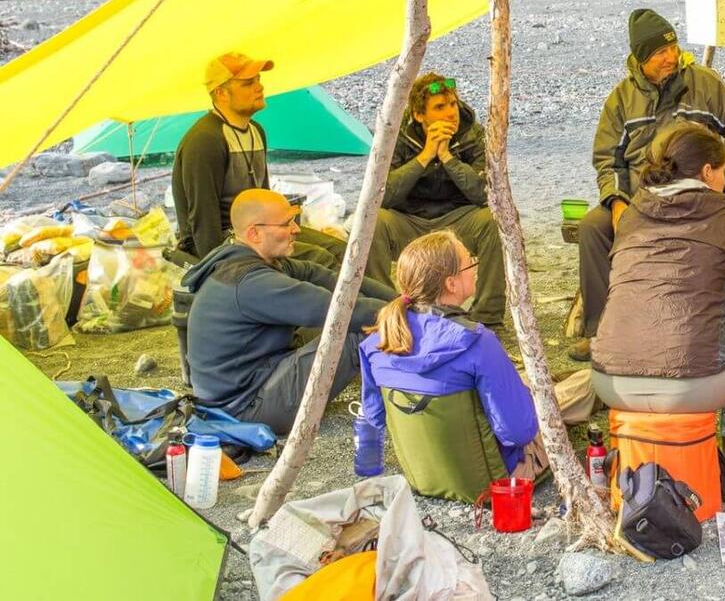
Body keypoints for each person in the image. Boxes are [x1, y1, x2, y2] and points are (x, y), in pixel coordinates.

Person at [591, 125, 725, 474]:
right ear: (708, 171)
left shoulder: (630, 214)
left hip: (610, 380)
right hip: (690, 386)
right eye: (723, 171)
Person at [571, 8, 725, 360]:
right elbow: (608, 158)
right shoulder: (621, 99)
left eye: (673, 47)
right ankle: (601, 330)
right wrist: (616, 202)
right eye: (660, 52)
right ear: (640, 58)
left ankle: (700, 329)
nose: (671, 57)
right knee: (592, 229)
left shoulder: (705, 85)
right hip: (640, 200)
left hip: (697, 198)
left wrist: (720, 183)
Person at [183, 189, 396, 435]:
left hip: (252, 382)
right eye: (287, 224)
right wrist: (410, 315)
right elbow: (339, 310)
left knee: (363, 319)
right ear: (255, 233)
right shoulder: (251, 283)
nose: (296, 229)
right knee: (363, 331)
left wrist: (402, 300)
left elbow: (335, 280)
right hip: (242, 410)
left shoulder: (251, 260)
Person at [359, 231, 544, 502]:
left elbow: (376, 418)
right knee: (562, 394)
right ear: (451, 284)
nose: (477, 267)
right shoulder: (478, 342)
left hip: (422, 478)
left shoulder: (377, 342)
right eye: (470, 262)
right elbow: (518, 431)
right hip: (499, 481)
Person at [171, 52, 345, 267]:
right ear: (221, 93)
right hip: (228, 242)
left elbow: (264, 198)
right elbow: (202, 221)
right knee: (321, 260)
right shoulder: (205, 140)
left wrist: (286, 226)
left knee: (341, 250)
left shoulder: (256, 131)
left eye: (258, 80)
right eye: (248, 83)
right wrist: (221, 270)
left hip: (261, 232)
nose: (259, 87)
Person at [363, 74, 505, 327]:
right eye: (440, 107)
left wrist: (448, 158)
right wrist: (426, 155)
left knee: (493, 220)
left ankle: (488, 318)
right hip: (410, 220)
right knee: (375, 221)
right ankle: (382, 312)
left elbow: (484, 194)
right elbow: (383, 196)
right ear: (419, 115)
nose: (451, 113)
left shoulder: (473, 133)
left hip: (458, 219)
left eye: (452, 104)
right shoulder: (396, 134)